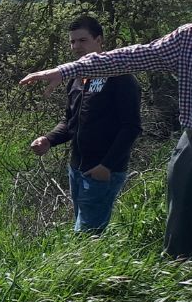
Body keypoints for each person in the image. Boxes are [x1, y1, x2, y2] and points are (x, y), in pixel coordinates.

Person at [20, 0, 192, 257]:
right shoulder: (190, 37)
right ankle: (177, 281)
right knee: (179, 231)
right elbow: (133, 57)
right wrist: (64, 71)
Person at [30, 16, 141, 234]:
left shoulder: (120, 77)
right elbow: (69, 121)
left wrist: (106, 166)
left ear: (99, 40)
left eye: (82, 40)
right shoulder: (76, 78)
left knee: (86, 234)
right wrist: (48, 139)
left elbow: (132, 127)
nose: (76, 47)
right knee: (86, 232)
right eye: (72, 42)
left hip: (102, 171)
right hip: (77, 168)